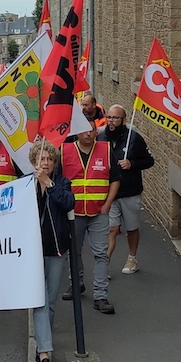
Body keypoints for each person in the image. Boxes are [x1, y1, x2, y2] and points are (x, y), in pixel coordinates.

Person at [59, 124, 120, 314]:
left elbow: (115, 179)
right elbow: (58, 180)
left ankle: (100, 295)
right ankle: (76, 284)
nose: (88, 133)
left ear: (96, 132)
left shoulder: (106, 150)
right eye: (84, 129)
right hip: (73, 212)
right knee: (74, 251)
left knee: (101, 253)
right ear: (77, 131)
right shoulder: (65, 151)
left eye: (92, 130)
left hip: (99, 212)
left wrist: (107, 204)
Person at [29, 139, 75, 362]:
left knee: (51, 300)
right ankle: (45, 354)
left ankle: (42, 342)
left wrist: (49, 184)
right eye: (41, 159)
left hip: (56, 249)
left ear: (55, 163)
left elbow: (68, 202)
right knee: (40, 301)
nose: (45, 163)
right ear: (34, 162)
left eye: (49, 159)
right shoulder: (26, 184)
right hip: (32, 252)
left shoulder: (62, 182)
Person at [105, 105, 155, 274]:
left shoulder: (134, 139)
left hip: (129, 191)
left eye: (115, 118)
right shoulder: (101, 137)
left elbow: (149, 161)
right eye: (109, 117)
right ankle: (104, 263)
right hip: (109, 192)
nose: (111, 121)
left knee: (131, 228)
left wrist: (131, 164)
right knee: (111, 229)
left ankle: (132, 259)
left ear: (124, 120)